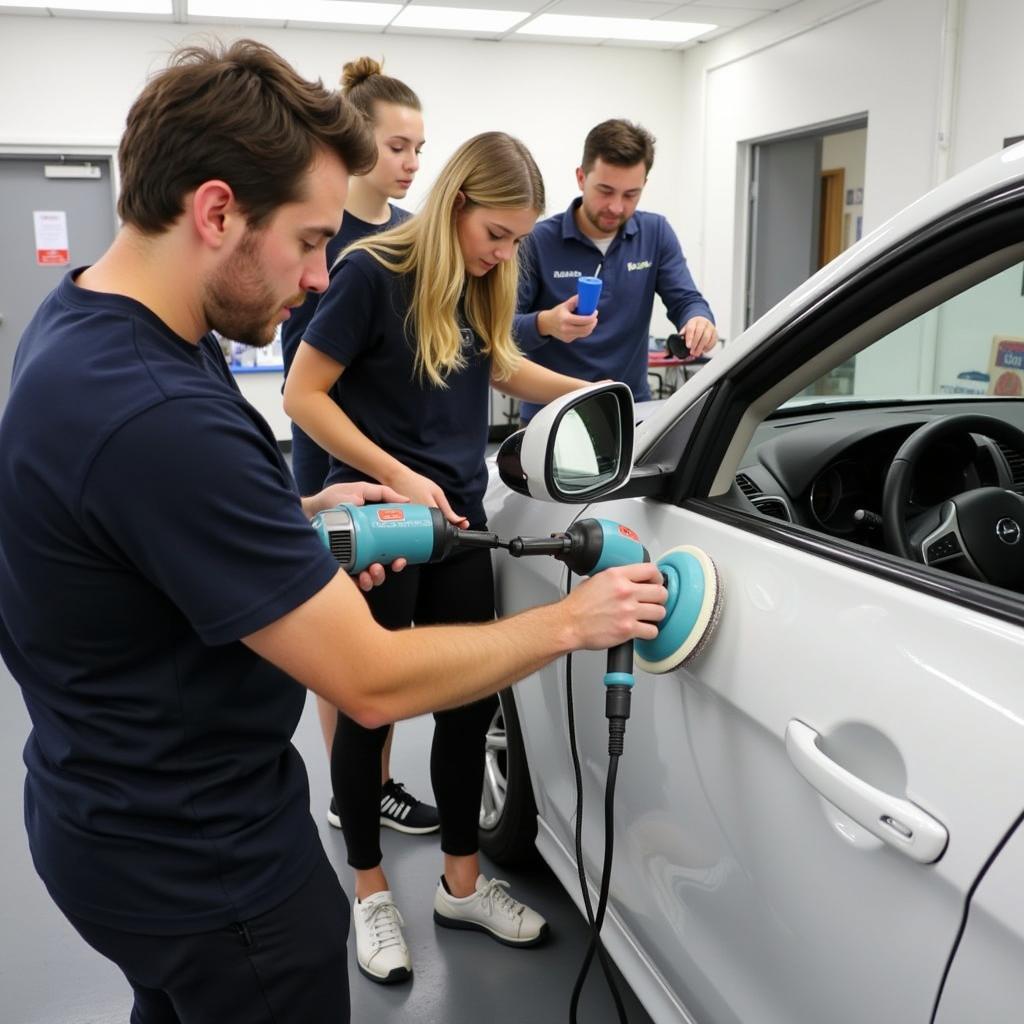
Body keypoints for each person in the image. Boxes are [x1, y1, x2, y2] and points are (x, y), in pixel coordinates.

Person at [0, 42, 667, 1024]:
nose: (319, 275)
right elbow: (368, 677)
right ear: (218, 210)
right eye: (310, 240)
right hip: (207, 861)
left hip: (111, 818)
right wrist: (577, 622)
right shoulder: (161, 415)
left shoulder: (89, 328)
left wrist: (298, 515)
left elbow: (139, 539)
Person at [283, 131, 595, 985]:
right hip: (385, 522)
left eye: (518, 240)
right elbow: (301, 394)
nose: (507, 254)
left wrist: (601, 401)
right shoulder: (370, 273)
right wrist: (391, 473)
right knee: (369, 704)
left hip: (460, 519)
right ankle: (372, 893)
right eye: (497, 234)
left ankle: (461, 884)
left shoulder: (483, 280)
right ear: (458, 204)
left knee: (466, 701)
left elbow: (501, 366)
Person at [279, 56, 439, 839]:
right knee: (342, 631)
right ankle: (353, 795)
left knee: (387, 635)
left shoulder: (411, 237)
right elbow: (303, 378)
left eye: (419, 148)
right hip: (333, 459)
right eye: (398, 146)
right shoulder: (323, 234)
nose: (411, 163)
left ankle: (377, 782)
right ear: (357, 142)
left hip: (395, 457)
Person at [514, 118, 718, 423]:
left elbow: (686, 300)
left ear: (644, 186)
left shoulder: (656, 233)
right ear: (581, 177)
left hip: (628, 410)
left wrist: (698, 320)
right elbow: (500, 331)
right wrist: (545, 324)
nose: (616, 207)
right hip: (551, 415)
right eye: (605, 191)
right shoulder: (535, 241)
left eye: (630, 194)